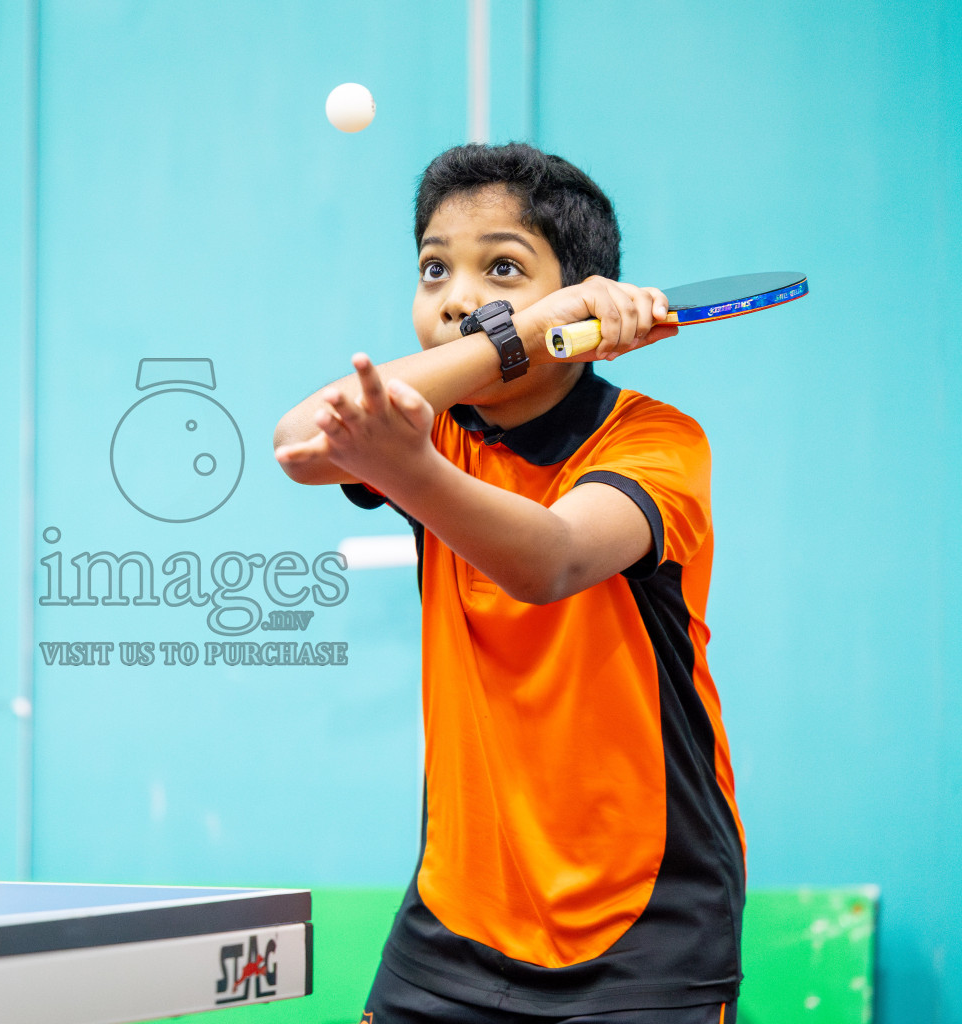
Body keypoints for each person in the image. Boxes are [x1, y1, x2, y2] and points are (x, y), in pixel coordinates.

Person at [273, 143, 745, 1023]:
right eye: (432, 268)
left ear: (583, 297)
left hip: (642, 930)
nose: (454, 295)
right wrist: (516, 330)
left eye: (501, 266)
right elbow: (297, 440)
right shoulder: (438, 433)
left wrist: (408, 466)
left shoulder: (656, 442)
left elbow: (550, 561)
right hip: (454, 921)